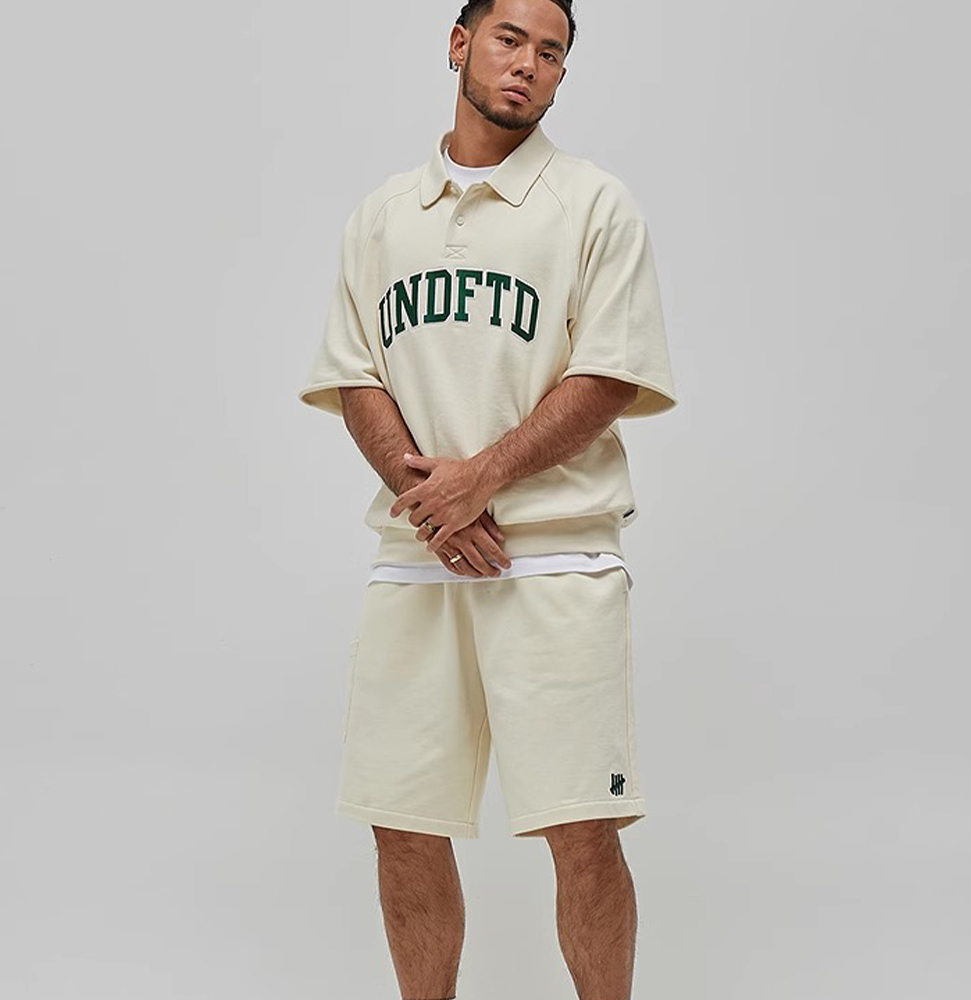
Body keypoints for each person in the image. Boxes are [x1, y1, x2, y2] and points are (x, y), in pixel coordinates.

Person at [297, 2, 678, 997]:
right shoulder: (382, 215)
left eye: (551, 52)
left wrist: (482, 480)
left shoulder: (594, 205)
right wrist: (432, 502)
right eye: (510, 39)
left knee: (581, 827)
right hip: (416, 559)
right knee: (402, 824)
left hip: (555, 557)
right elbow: (355, 374)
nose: (528, 64)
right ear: (459, 44)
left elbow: (609, 372)